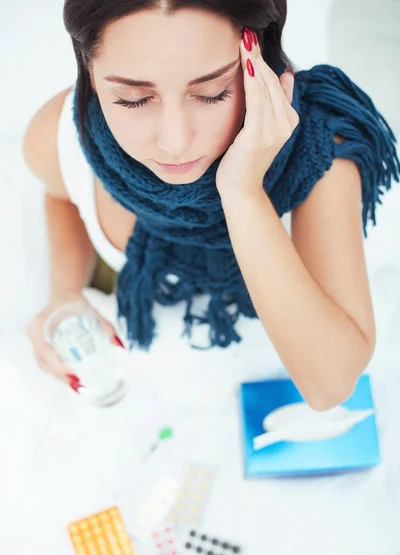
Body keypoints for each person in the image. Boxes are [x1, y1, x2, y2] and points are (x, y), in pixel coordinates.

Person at [23, 0, 399, 411]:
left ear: (261, 62)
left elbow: (330, 385)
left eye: (211, 93)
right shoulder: (62, 134)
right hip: (158, 392)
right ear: (90, 74)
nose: (175, 141)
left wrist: (242, 193)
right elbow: (62, 196)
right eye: (132, 99)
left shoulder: (319, 150)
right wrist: (64, 293)